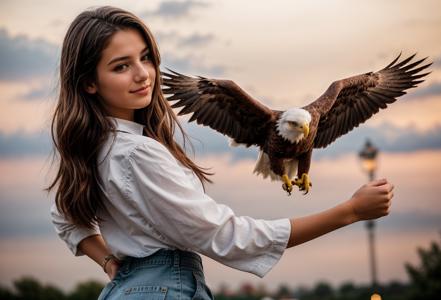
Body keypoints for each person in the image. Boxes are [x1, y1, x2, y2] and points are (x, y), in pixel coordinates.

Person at [47, 6, 394, 300]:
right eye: (121, 66)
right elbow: (227, 237)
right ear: (89, 82)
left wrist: (109, 262)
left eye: (146, 57)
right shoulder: (136, 154)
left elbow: (64, 214)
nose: (144, 74)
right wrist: (349, 211)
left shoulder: (98, 147)